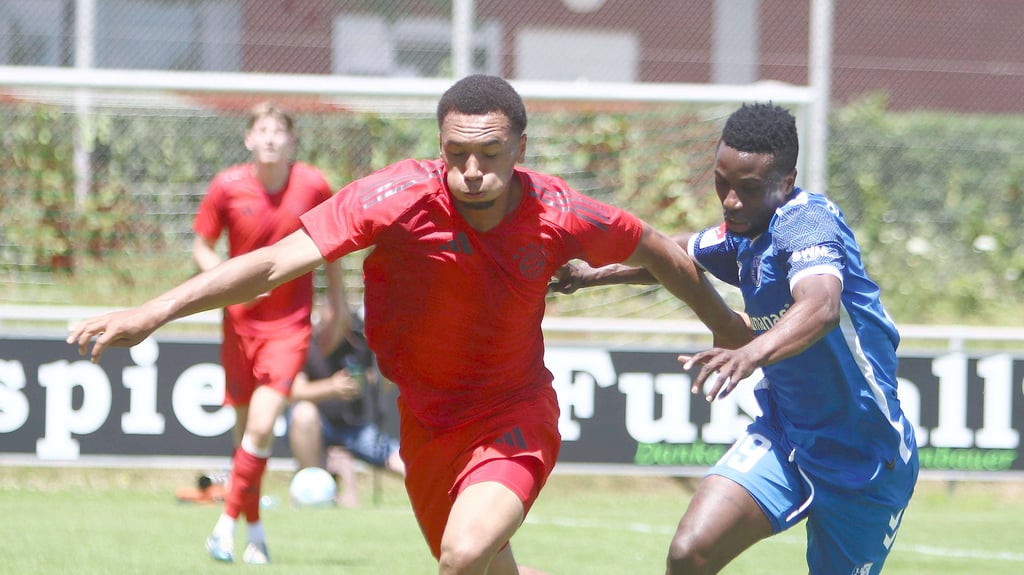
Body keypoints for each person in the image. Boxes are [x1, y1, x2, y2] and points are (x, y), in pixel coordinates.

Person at [68, 74, 750, 575]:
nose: (472, 171)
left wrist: (723, 324)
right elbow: (274, 261)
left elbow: (658, 249)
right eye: (456, 153)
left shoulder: (559, 210)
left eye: (490, 153)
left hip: (512, 415)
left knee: (462, 556)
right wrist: (155, 310)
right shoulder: (393, 198)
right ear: (439, 146)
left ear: (520, 146)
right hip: (423, 425)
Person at [549, 102, 919, 575]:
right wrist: (592, 274)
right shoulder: (743, 233)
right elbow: (671, 256)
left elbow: (822, 305)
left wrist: (749, 354)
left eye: (749, 188)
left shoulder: (807, 221)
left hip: (864, 459)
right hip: (786, 437)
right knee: (690, 552)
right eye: (722, 182)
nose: (730, 201)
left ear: (786, 182)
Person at [190, 101, 348, 564]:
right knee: (247, 438)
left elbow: (335, 244)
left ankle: (223, 528)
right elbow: (202, 246)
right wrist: (227, 283)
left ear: (292, 140)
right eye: (262, 130)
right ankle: (255, 531)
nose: (271, 138)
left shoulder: (313, 184)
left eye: (279, 131)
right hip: (239, 326)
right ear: (249, 138)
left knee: (261, 427)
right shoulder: (227, 186)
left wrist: (338, 304)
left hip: (289, 326)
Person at [288, 302, 405, 508]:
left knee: (403, 463)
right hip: (320, 427)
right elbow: (294, 392)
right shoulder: (307, 344)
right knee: (303, 413)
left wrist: (371, 378)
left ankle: (445, 493)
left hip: (355, 428)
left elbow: (385, 382)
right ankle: (312, 489)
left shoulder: (359, 343)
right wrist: (332, 387)